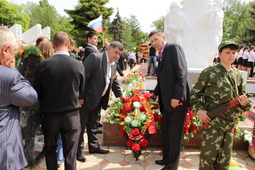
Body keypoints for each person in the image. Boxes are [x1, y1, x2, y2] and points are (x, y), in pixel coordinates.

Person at [190, 41, 251, 170]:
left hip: (229, 124)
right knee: (207, 160)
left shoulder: (238, 75)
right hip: (213, 122)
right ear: (219, 54)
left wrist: (245, 104)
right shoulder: (209, 72)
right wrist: (199, 111)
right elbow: (195, 94)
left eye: (233, 53)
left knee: (224, 161)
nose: (231, 55)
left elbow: (242, 98)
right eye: (227, 52)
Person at [34, 31, 85, 170]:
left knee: (50, 149)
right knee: (70, 152)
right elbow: (81, 91)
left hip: (50, 115)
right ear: (69, 45)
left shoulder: (44, 65)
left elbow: (37, 91)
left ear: (53, 45)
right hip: (72, 115)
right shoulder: (78, 65)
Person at [149, 30, 190, 170]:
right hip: (166, 102)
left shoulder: (173, 48)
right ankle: (167, 159)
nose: (154, 43)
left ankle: (172, 166)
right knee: (166, 132)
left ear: (163, 37)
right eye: (152, 41)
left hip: (176, 102)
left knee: (174, 136)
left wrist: (177, 96)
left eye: (156, 39)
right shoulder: (160, 55)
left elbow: (182, 73)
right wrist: (154, 94)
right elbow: (163, 80)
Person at [77, 41, 124, 162]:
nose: (117, 56)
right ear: (108, 49)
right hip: (86, 99)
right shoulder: (95, 57)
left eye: (119, 54)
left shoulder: (113, 64)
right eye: (116, 52)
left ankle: (94, 147)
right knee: (81, 126)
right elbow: (82, 77)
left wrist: (121, 96)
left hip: (99, 99)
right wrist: (80, 97)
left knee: (93, 124)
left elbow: (114, 82)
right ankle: (78, 151)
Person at [0, 26, 38, 169]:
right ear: (5, 50)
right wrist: (13, 70)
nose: (13, 59)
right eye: (13, 55)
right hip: (5, 153)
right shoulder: (9, 75)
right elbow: (31, 97)